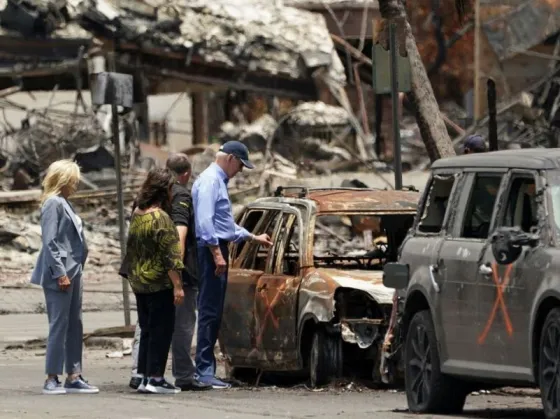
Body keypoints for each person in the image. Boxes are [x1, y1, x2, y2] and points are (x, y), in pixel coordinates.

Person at [192, 140, 273, 389]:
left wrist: (251, 237)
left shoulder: (216, 181)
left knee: (213, 312)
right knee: (209, 312)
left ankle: (205, 371)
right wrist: (217, 253)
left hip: (215, 248)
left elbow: (223, 223)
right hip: (210, 252)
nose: (240, 171)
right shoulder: (210, 182)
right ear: (230, 159)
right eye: (240, 165)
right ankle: (204, 373)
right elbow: (206, 223)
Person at [30, 159, 99, 395]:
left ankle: (74, 374)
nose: (77, 184)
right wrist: (60, 272)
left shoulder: (64, 203)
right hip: (60, 273)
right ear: (64, 180)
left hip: (74, 270)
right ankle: (52, 377)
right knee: (59, 325)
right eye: (74, 180)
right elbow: (50, 241)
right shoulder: (53, 204)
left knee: (74, 325)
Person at [123, 167, 185, 394]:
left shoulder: (138, 213)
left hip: (139, 281)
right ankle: (156, 378)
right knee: (161, 330)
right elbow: (171, 256)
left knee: (147, 329)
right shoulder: (161, 218)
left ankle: (143, 376)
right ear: (164, 190)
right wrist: (178, 285)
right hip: (159, 283)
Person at [166, 153, 212, 391]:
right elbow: (180, 234)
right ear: (186, 174)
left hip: (154, 270)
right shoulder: (182, 193)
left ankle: (142, 372)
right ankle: (184, 375)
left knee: (152, 324)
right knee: (184, 325)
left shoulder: (154, 191)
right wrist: (178, 273)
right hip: (181, 270)